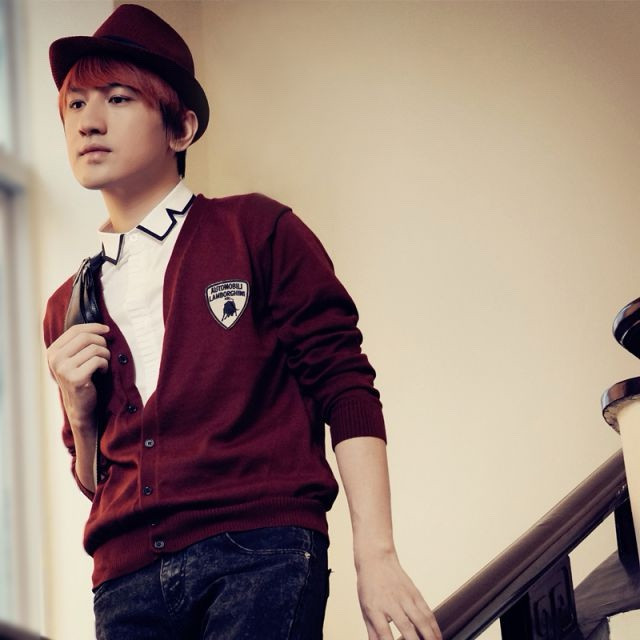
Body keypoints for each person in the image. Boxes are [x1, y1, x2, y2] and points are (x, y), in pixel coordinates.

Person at [43, 5, 442, 640]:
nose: (88, 121)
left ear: (181, 128)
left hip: (258, 552)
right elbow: (97, 481)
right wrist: (79, 409)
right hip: (124, 583)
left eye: (117, 98)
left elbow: (345, 385)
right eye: (75, 104)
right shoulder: (67, 303)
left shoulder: (255, 229)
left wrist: (377, 555)